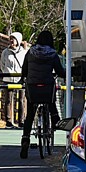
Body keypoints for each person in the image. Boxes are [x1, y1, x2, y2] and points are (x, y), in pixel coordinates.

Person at [20, 30, 65, 159]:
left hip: (32, 85)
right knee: (51, 102)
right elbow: (60, 71)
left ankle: (25, 139)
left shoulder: (31, 52)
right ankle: (56, 121)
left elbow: (24, 69)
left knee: (30, 114)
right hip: (47, 85)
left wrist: (24, 78)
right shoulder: (52, 54)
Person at [0, 32, 27, 128]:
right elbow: (2, 64)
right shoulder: (5, 52)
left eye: (14, 39)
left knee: (21, 100)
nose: (11, 41)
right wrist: (6, 73)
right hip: (8, 78)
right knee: (8, 100)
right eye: (10, 38)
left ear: (18, 41)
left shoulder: (23, 52)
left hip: (20, 79)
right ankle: (8, 121)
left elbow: (25, 64)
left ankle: (21, 121)